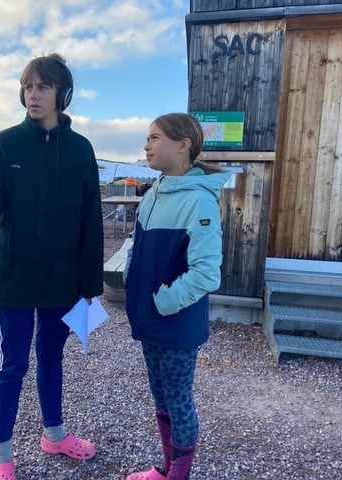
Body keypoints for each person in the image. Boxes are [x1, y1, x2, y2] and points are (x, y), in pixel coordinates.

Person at [0, 53, 104, 480]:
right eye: (27, 86)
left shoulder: (80, 149)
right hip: (14, 278)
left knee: (51, 357)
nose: (33, 95)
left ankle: (54, 435)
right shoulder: (2, 143)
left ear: (63, 93)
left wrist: (89, 284)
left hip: (62, 280)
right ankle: (2, 456)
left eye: (42, 86)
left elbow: (91, 219)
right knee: (13, 364)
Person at [123, 113, 231, 480]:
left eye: (155, 137)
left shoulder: (200, 202)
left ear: (183, 144)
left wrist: (164, 301)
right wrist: (130, 280)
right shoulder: (154, 192)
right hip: (149, 319)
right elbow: (137, 249)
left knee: (179, 400)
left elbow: (206, 272)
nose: (146, 145)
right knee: (161, 397)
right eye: (147, 137)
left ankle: (178, 475)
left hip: (176, 324)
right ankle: (168, 469)